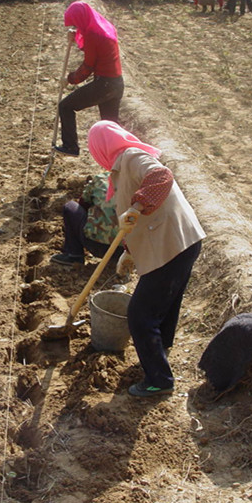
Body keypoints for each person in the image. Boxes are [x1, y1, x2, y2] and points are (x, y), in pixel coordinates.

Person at [87, 121, 206, 397]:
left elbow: (161, 176)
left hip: (171, 245)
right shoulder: (120, 168)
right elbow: (132, 219)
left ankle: (159, 380)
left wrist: (140, 202)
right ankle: (160, 353)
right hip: (180, 242)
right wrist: (129, 253)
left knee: (140, 315)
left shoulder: (131, 156)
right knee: (166, 304)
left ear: (102, 147)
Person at [54, 2, 124, 158]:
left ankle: (70, 146)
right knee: (111, 127)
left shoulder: (92, 34)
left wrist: (70, 79)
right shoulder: (103, 29)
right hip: (117, 84)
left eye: (75, 24)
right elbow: (96, 51)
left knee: (65, 106)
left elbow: (87, 66)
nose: (75, 27)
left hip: (104, 84)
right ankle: (119, 159)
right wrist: (75, 40)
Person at [50, 171, 120, 266]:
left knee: (70, 207)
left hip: (96, 245)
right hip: (127, 250)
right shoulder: (139, 184)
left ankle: (74, 255)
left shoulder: (101, 178)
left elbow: (83, 204)